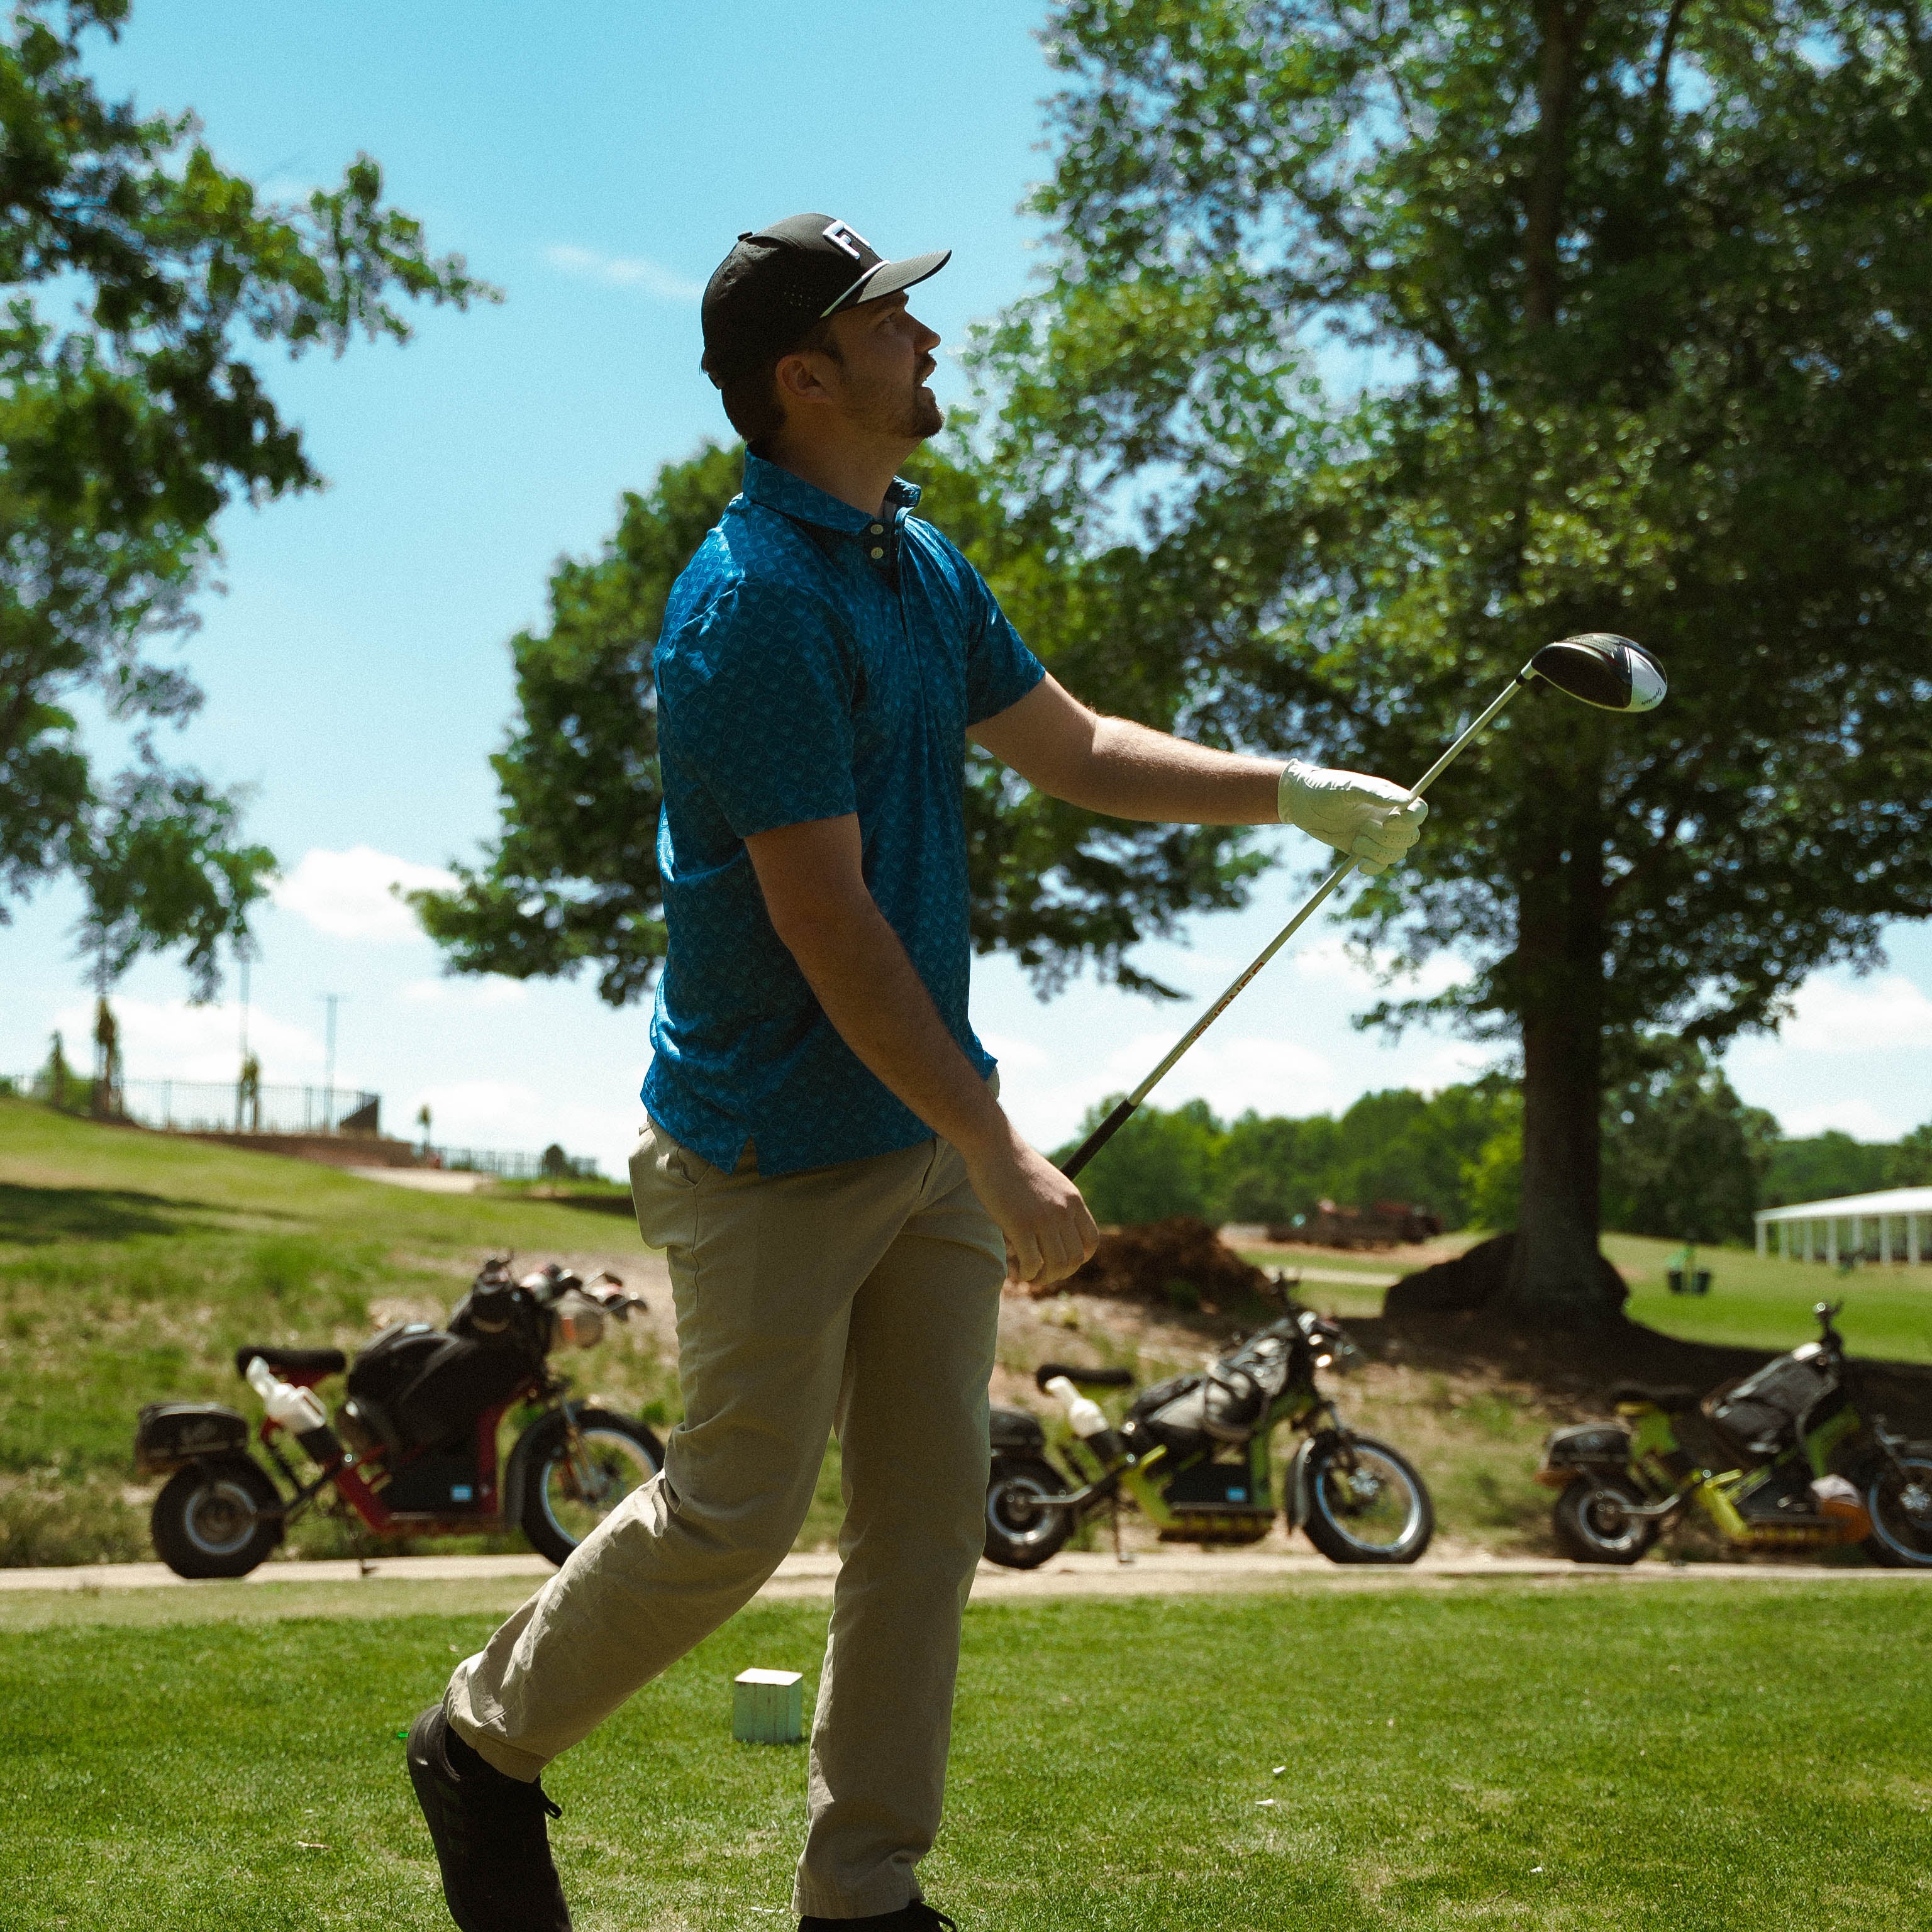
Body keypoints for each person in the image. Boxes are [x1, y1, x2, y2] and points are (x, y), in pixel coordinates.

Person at [407, 212, 1426, 1932]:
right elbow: (831, 926)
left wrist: (1295, 790)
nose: (928, 343)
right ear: (806, 377)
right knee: (734, 1513)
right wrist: (1005, 1146)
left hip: (923, 1124)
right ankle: (477, 1744)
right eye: (892, 322)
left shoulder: (912, 564)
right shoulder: (749, 608)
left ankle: (861, 1889)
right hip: (766, 1146)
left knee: (926, 1519)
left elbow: (1077, 747)